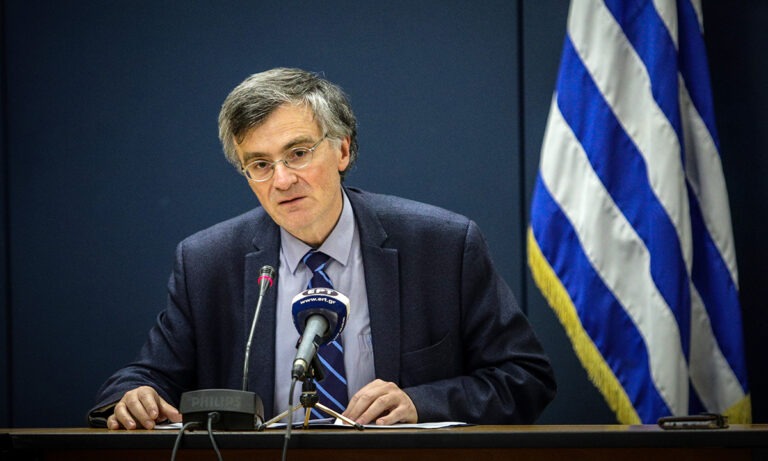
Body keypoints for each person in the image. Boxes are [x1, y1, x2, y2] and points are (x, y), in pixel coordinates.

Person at [88, 68, 556, 430]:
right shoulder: (208, 263)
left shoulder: (441, 246)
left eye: (298, 153)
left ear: (343, 151)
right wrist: (134, 397)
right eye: (260, 164)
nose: (282, 180)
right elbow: (141, 379)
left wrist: (421, 403)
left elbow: (525, 377)